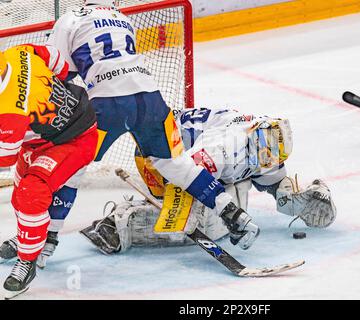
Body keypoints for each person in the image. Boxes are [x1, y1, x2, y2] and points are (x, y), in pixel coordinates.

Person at [44, 0, 258, 251]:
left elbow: (57, 74)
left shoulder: (70, 19)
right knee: (175, 164)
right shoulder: (121, 18)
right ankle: (232, 213)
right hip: (151, 100)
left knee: (72, 171)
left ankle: (45, 241)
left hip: (107, 105)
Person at [80, 107, 337, 254]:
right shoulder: (226, 144)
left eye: (275, 159)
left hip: (201, 162)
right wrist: (230, 214)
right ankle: (119, 224)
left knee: (231, 199)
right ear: (256, 141)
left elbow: (271, 176)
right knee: (192, 219)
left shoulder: (264, 144)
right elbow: (189, 178)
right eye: (268, 157)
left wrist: (291, 198)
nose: (271, 162)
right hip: (159, 155)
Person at [0, 44, 98, 298]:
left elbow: (4, 159)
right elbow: (60, 65)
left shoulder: (9, 112)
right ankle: (31, 238)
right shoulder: (17, 53)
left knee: (31, 194)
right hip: (44, 137)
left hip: (74, 140)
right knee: (20, 195)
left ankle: (27, 261)